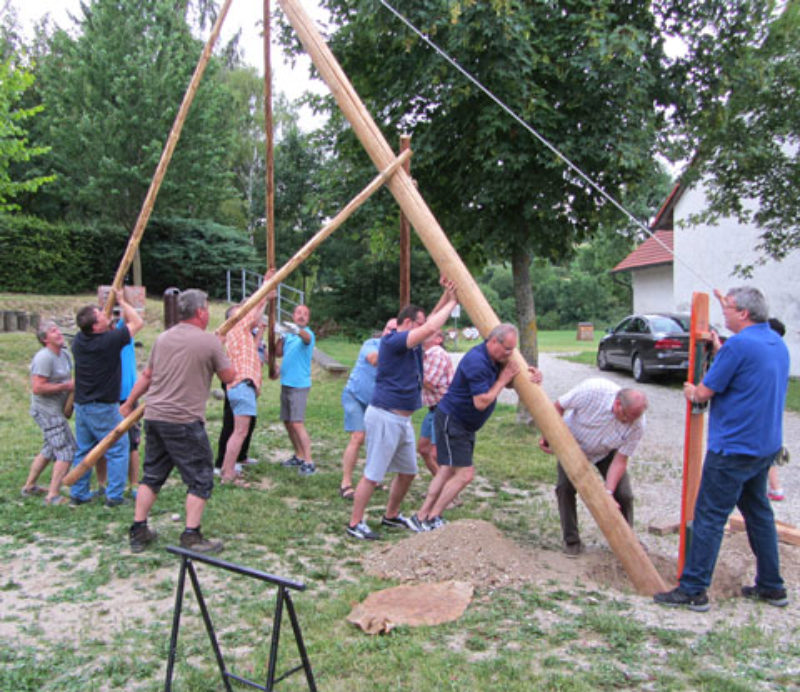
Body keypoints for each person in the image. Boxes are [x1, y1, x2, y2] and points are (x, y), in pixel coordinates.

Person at [655, 286, 789, 611]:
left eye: (727, 307)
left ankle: (693, 590)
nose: (723, 311)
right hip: (763, 448)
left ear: (743, 313)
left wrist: (690, 391)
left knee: (709, 517)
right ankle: (772, 587)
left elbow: (703, 392)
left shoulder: (739, 346)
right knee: (759, 515)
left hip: (733, 450)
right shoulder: (775, 342)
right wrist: (720, 349)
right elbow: (745, 373)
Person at [123, 289, 235, 554]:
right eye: (207, 308)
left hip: (155, 417)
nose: (208, 313)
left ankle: (139, 530)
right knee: (201, 478)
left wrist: (129, 403)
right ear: (199, 312)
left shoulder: (163, 338)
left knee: (152, 475)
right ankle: (191, 536)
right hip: (184, 421)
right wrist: (219, 346)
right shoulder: (209, 342)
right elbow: (229, 376)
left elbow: (147, 376)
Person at [346, 277, 458, 540]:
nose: (424, 331)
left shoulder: (412, 340)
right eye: (417, 326)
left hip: (402, 420)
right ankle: (355, 523)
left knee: (408, 472)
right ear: (407, 324)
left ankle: (391, 515)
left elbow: (428, 322)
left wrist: (446, 294)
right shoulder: (394, 340)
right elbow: (431, 325)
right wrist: (452, 303)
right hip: (385, 416)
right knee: (373, 475)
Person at [411, 324, 542, 530]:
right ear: (493, 341)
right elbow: (481, 401)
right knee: (464, 474)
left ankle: (421, 516)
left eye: (512, 350)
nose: (510, 354)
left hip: (463, 423)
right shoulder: (477, 361)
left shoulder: (495, 357)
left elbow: (505, 381)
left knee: (446, 470)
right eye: (507, 349)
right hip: (453, 420)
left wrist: (530, 374)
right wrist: (503, 378)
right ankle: (432, 517)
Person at [539, 378, 648, 556]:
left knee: (624, 495)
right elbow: (558, 406)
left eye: (634, 419)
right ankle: (572, 541)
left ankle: (627, 540)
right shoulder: (593, 390)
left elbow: (620, 460)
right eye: (627, 417)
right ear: (618, 403)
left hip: (606, 451)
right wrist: (548, 435)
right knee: (564, 488)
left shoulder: (638, 424)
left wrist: (609, 493)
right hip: (572, 444)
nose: (630, 422)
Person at [70, 290, 143, 507]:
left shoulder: (79, 341)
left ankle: (79, 493)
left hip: (82, 405)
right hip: (102, 406)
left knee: (84, 449)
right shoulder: (107, 342)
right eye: (100, 314)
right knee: (118, 448)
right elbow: (137, 322)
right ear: (95, 326)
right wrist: (121, 301)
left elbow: (109, 325)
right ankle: (114, 496)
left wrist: (109, 315)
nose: (104, 313)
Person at [218, 274, 274, 483]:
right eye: (239, 313)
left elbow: (255, 316)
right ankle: (228, 472)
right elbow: (254, 310)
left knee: (240, 430)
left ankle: (227, 469)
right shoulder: (236, 328)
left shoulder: (242, 335)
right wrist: (266, 288)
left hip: (243, 385)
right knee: (240, 431)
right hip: (241, 384)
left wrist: (266, 293)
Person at [338, 317, 397, 500]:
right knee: (358, 437)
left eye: (395, 331)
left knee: (376, 440)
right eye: (388, 329)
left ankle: (373, 478)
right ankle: (346, 483)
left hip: (376, 402)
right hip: (354, 396)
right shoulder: (371, 343)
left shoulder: (400, 353)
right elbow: (373, 360)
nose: (390, 333)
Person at [22, 321, 76, 505]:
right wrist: (66, 386)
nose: (58, 333)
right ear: (45, 339)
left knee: (50, 448)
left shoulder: (65, 354)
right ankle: (53, 495)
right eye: (53, 331)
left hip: (57, 410)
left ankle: (29, 487)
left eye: (58, 329)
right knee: (66, 449)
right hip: (46, 410)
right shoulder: (44, 358)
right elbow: (38, 387)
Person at [276, 304, 316, 475]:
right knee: (287, 422)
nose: (301, 316)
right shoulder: (289, 336)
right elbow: (278, 353)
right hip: (286, 382)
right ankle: (298, 455)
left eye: (305, 314)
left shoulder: (307, 335)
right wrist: (279, 336)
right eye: (299, 313)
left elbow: (306, 338)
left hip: (299, 384)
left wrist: (297, 331)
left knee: (297, 423)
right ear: (293, 315)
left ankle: (309, 461)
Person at [417, 329, 454, 477]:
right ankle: (440, 488)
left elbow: (429, 383)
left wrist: (408, 371)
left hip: (444, 409)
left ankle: (449, 493)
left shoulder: (437, 353)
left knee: (436, 454)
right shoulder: (426, 355)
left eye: (429, 333)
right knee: (424, 449)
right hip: (434, 409)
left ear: (439, 339)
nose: (423, 334)